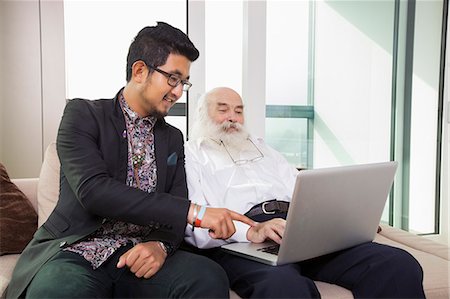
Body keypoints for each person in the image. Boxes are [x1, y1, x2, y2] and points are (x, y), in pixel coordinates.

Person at [6, 23, 253, 299]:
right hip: (76, 252)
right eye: (173, 78)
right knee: (58, 292)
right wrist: (196, 213)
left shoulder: (172, 137)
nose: (178, 91)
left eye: (183, 82)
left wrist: (160, 246)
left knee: (207, 276)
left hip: (138, 256)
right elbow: (94, 191)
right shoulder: (82, 114)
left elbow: (175, 201)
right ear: (139, 71)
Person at [184, 86, 426, 298]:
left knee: (397, 264)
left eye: (239, 111)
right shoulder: (192, 154)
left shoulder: (263, 148)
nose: (233, 118)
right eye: (223, 109)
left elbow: (303, 187)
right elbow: (197, 224)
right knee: (283, 285)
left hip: (297, 227)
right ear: (202, 114)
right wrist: (253, 230)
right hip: (243, 238)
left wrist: (345, 219)